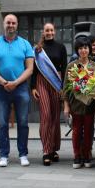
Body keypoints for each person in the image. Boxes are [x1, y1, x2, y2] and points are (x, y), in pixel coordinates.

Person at [0, 14, 34, 167]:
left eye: (13, 23)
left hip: (21, 88)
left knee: (23, 122)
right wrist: (4, 82)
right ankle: (4, 155)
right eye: (8, 22)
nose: (11, 25)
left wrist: (16, 82)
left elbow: (30, 68)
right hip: (1, 89)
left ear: (17, 25)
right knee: (1, 123)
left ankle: (23, 154)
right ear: (3, 24)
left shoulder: (25, 44)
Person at [31, 22, 67, 166]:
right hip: (41, 82)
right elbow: (34, 69)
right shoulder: (39, 49)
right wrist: (32, 87)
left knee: (55, 117)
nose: (49, 32)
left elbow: (64, 67)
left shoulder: (61, 47)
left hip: (56, 83)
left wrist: (64, 87)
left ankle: (53, 149)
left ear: (55, 31)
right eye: (47, 30)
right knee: (46, 116)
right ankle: (46, 150)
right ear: (43, 32)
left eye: (51, 30)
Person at [63, 37, 95, 169]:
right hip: (75, 104)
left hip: (90, 104)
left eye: (86, 47)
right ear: (77, 50)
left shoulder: (94, 66)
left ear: (89, 49)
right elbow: (66, 87)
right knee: (76, 130)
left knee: (89, 130)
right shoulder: (72, 66)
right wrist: (66, 106)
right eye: (81, 48)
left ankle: (87, 154)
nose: (83, 50)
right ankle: (77, 155)